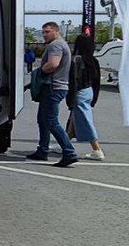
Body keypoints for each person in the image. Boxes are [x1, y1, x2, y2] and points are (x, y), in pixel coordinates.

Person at [26, 22, 78, 167]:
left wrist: (40, 72)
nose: (44, 34)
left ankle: (69, 152)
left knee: (51, 121)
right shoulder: (62, 44)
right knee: (43, 120)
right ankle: (42, 150)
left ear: (56, 31)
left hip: (53, 87)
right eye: (43, 32)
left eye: (47, 31)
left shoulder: (55, 45)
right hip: (57, 87)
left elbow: (53, 64)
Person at [67, 31, 105, 161]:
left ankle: (97, 149)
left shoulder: (76, 60)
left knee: (84, 120)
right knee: (74, 119)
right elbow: (97, 82)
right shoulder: (93, 60)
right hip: (89, 91)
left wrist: (69, 99)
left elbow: (74, 81)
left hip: (79, 92)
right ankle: (65, 143)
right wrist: (94, 98)